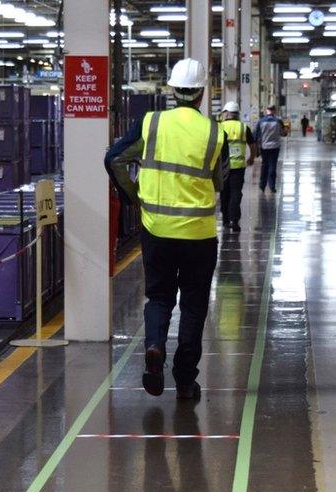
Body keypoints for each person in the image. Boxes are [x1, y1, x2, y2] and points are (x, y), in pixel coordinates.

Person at [104, 58, 228, 401]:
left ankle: (155, 346)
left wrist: (135, 197)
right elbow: (220, 181)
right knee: (194, 305)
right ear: (202, 93)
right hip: (199, 235)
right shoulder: (215, 133)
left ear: (172, 91)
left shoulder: (150, 123)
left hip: (157, 229)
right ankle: (185, 381)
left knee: (159, 297)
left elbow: (114, 158)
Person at [219, 101, 257, 232]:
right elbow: (253, 146)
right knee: (236, 193)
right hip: (239, 167)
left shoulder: (220, 127)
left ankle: (225, 220)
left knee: (224, 194)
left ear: (227, 113)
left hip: (222, 167)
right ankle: (234, 221)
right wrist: (251, 158)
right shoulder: (243, 127)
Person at [255, 105, 287, 193]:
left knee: (264, 165)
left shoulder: (260, 121)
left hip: (264, 147)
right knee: (272, 166)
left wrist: (256, 148)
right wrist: (285, 130)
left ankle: (262, 185)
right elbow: (283, 134)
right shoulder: (278, 121)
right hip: (275, 147)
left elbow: (256, 135)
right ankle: (272, 186)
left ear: (266, 110)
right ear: (274, 111)